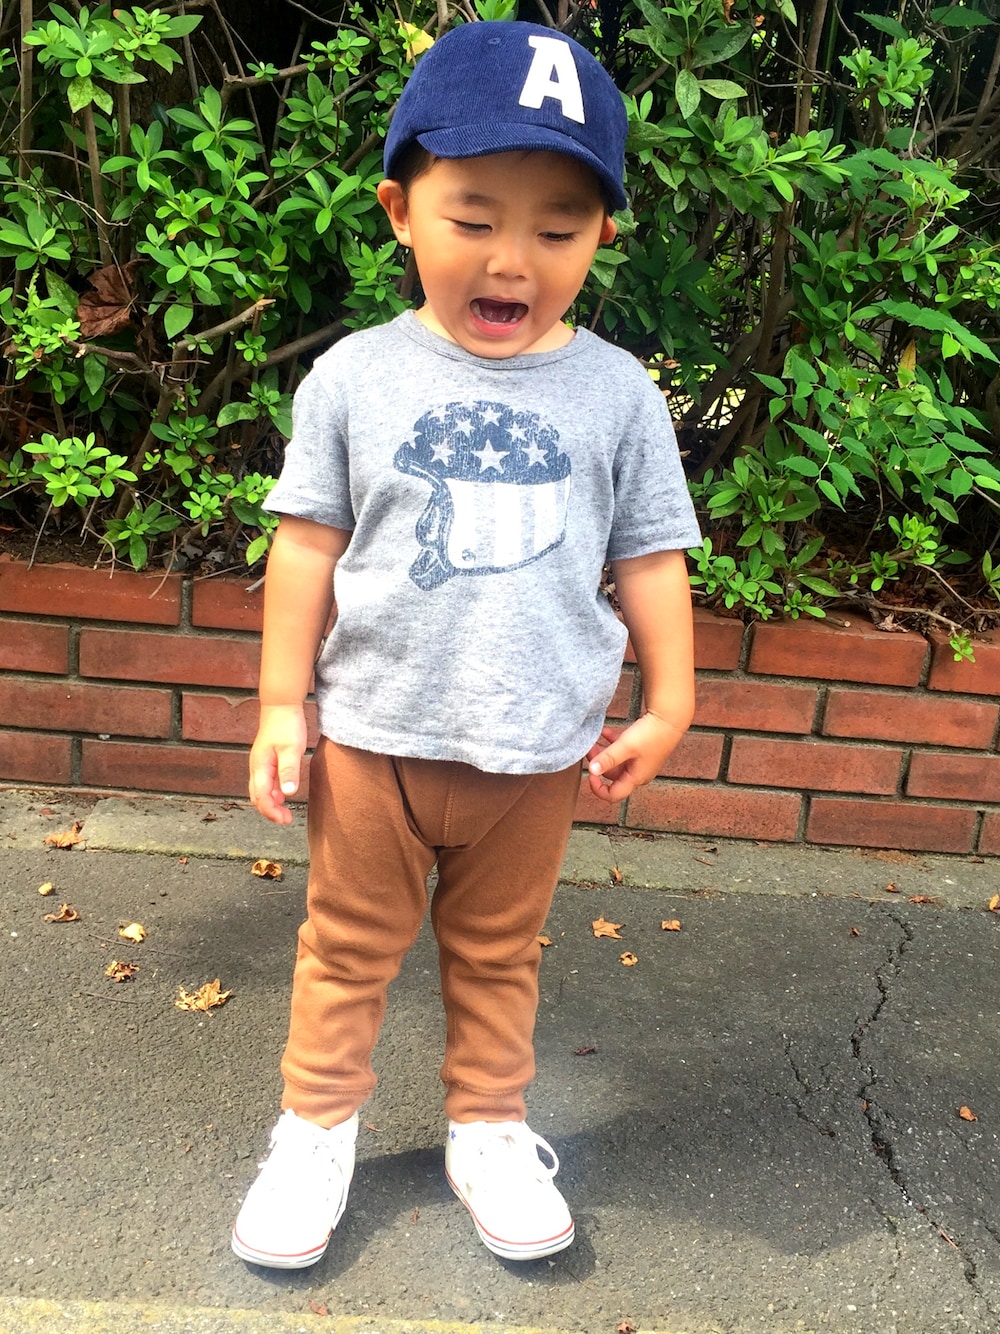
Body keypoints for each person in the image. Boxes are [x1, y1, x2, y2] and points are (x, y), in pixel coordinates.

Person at [231, 18, 701, 1271]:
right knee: (345, 948)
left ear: (602, 236)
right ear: (400, 210)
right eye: (473, 216)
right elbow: (305, 545)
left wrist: (670, 703)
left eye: (557, 229)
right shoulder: (354, 377)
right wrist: (281, 704)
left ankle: (487, 1124)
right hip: (372, 739)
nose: (510, 258)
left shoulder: (619, 394)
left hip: (535, 750)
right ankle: (315, 1128)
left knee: (499, 954)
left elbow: (652, 553)